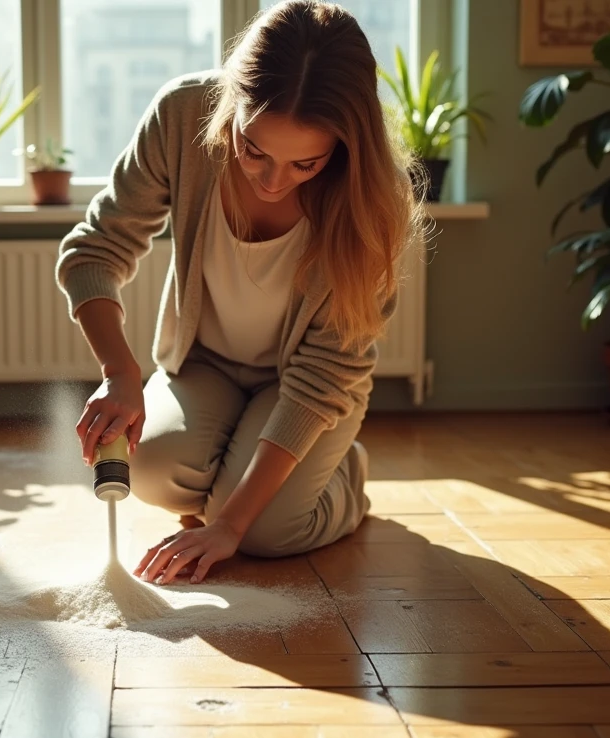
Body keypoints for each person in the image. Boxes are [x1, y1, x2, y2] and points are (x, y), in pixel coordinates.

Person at [55, 0, 422, 586]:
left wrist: (230, 525)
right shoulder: (180, 116)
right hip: (205, 368)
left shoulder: (374, 198)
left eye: (305, 163)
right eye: (253, 150)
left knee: (266, 534)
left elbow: (327, 373)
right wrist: (119, 371)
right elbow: (95, 248)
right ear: (233, 105)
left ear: (343, 147)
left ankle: (343, 476)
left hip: (308, 389)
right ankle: (241, 477)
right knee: (149, 470)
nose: (274, 183)